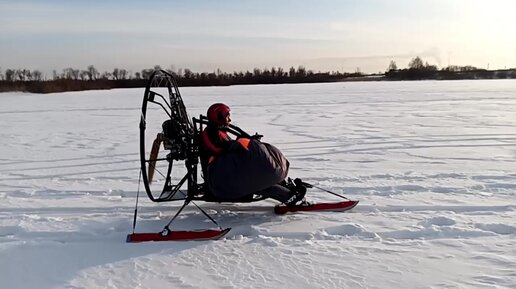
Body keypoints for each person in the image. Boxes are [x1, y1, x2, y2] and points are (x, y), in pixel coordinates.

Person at [199, 103, 306, 206]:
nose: (229, 119)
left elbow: (227, 147)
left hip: (226, 171)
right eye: (227, 116)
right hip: (220, 176)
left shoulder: (218, 131)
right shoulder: (210, 133)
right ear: (219, 117)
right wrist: (238, 144)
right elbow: (218, 149)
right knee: (255, 179)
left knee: (257, 171)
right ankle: (288, 196)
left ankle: (283, 187)